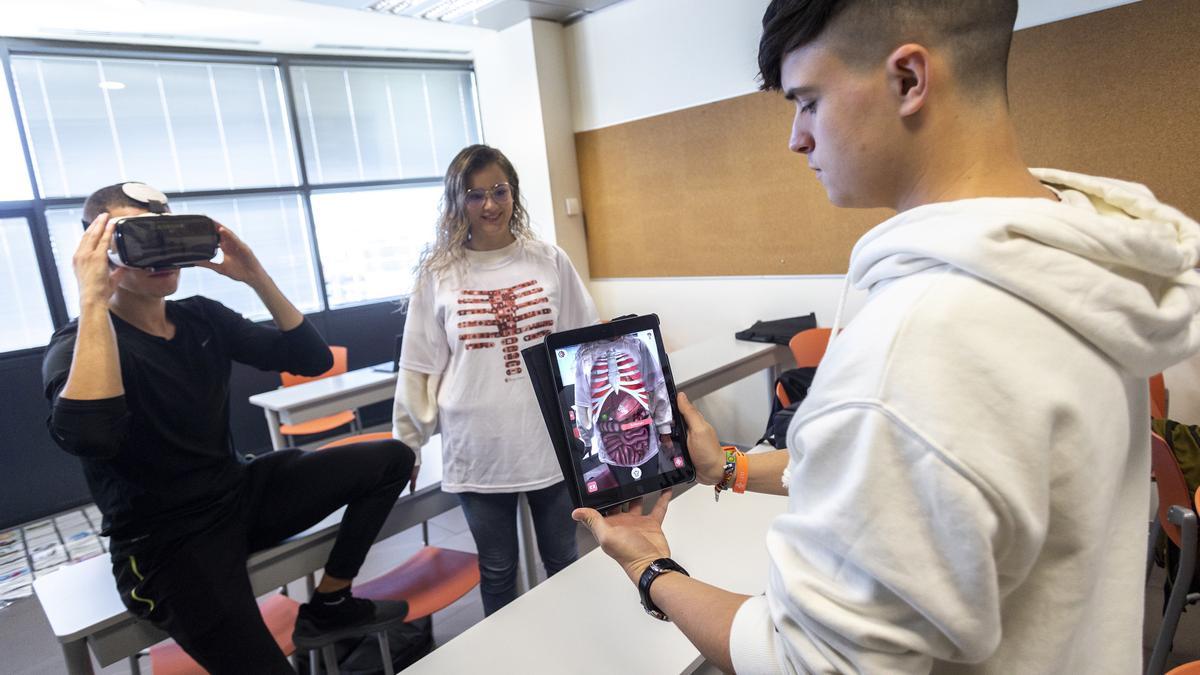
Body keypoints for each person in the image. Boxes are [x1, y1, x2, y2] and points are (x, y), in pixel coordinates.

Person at [574, 0, 1200, 672]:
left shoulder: (919, 346)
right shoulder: (1079, 264)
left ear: (908, 79)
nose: (796, 138)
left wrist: (650, 567)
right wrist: (729, 465)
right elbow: (935, 485)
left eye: (808, 101)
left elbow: (803, 661)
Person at [43, 182, 416, 674]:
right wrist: (92, 300)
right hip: (167, 541)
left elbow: (312, 357)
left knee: (391, 458)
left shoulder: (201, 318)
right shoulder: (78, 345)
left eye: (167, 237)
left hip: (237, 494)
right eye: (140, 240)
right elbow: (89, 438)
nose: (161, 257)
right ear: (102, 248)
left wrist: (254, 275)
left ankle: (330, 603)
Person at [393, 144, 599, 615]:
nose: (489, 204)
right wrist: (407, 444)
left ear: (514, 194)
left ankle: (577, 648)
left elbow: (582, 343)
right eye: (474, 194)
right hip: (477, 447)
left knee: (564, 560)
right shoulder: (440, 275)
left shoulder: (548, 260)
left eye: (499, 191)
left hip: (547, 439)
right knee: (499, 570)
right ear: (456, 203)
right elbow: (418, 367)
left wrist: (594, 422)